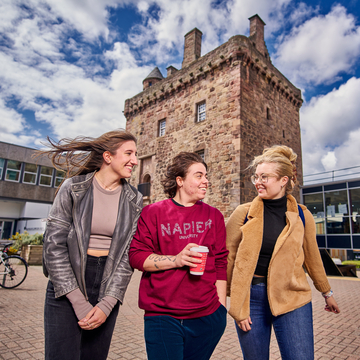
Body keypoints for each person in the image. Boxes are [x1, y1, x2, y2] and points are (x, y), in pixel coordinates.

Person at [226, 145, 340, 360]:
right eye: (256, 177)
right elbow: (226, 257)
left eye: (265, 177)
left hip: (292, 296)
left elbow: (312, 257)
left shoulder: (302, 215)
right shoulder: (242, 213)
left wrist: (327, 293)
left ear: (283, 180)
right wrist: (235, 302)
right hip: (252, 299)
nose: (258, 182)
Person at [42, 130, 143, 360]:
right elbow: (53, 246)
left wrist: (108, 303)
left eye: (135, 154)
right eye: (128, 153)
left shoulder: (134, 199)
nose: (134, 161)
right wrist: (78, 301)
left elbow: (127, 256)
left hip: (107, 284)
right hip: (66, 285)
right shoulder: (73, 188)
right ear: (108, 156)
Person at [129, 152, 228, 360]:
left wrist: (221, 310)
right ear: (180, 181)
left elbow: (220, 262)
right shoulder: (153, 213)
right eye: (199, 175)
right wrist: (176, 259)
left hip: (207, 316)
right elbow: (137, 257)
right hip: (163, 316)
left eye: (206, 175)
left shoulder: (214, 216)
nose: (206, 181)